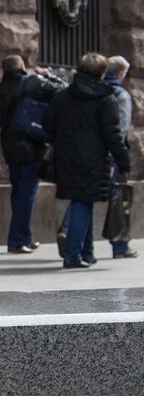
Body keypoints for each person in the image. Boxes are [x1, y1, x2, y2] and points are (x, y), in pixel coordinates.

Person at [43, 52, 131, 269]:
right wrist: (124, 161)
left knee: (82, 201)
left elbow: (48, 123)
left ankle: (87, 251)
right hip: (93, 159)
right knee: (83, 202)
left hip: (66, 156)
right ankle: (73, 254)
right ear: (102, 72)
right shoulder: (105, 99)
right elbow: (113, 136)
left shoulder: (63, 96)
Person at [0, 54, 62, 254]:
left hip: (10, 149)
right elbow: (62, 90)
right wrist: (48, 75)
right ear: (22, 66)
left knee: (19, 193)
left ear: (4, 70)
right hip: (32, 146)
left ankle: (24, 236)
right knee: (26, 195)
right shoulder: (32, 84)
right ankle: (17, 240)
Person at [103, 55, 136, 259]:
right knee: (118, 199)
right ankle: (120, 244)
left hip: (91, 153)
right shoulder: (121, 95)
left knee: (82, 198)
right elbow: (120, 130)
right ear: (120, 74)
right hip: (112, 155)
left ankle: (67, 230)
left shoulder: (95, 90)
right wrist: (120, 160)